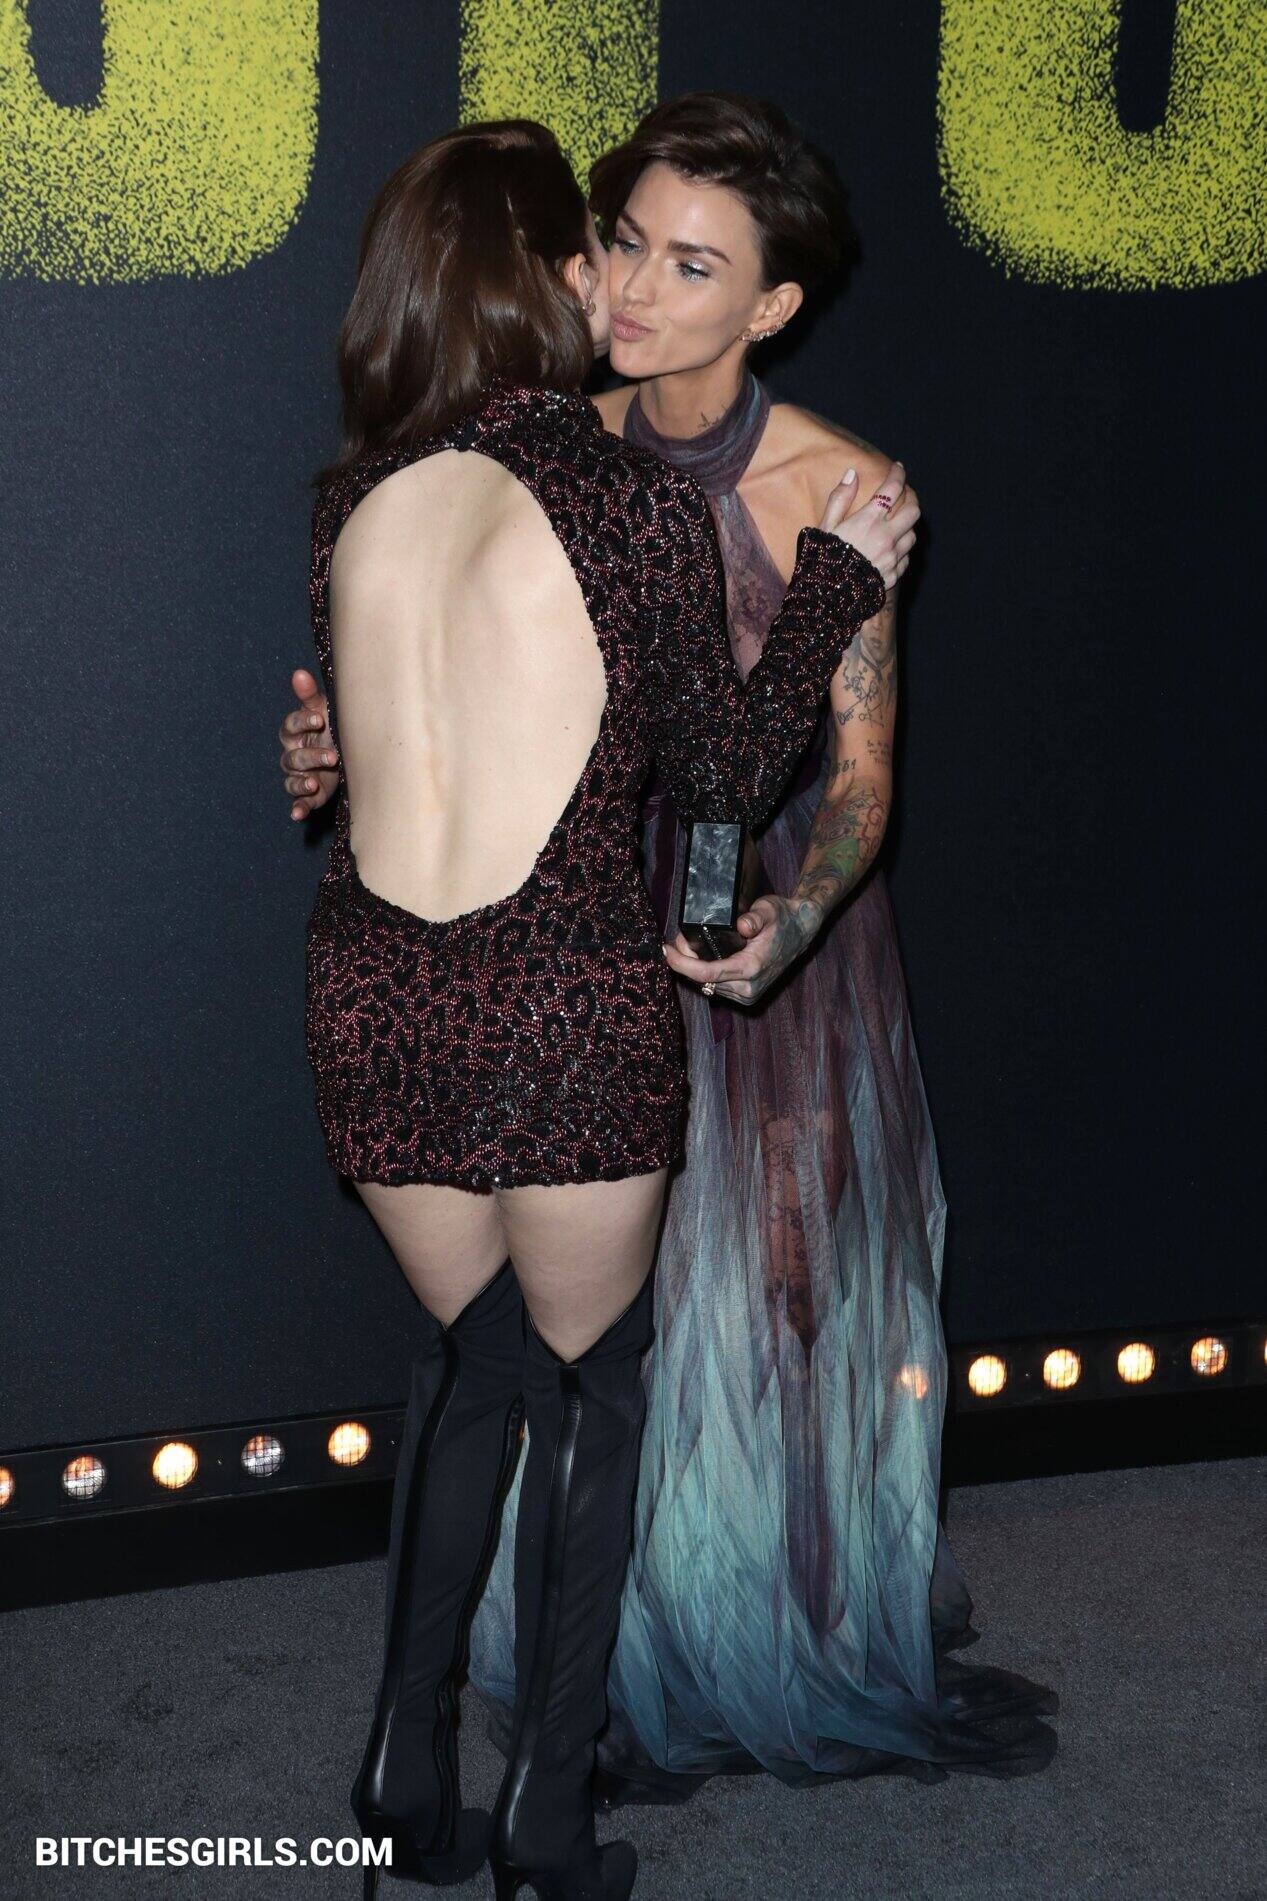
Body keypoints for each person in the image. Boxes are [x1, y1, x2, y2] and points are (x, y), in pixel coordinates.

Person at [301, 116, 908, 1899]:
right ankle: (548, 1822)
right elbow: (721, 774)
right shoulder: (631, 507)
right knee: (592, 1396)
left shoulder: (349, 494)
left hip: (370, 1000)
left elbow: (365, 748)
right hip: (558, 1002)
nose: (618, 280)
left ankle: (401, 1767)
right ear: (549, 274)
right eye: (600, 248)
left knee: (467, 1368)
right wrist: (841, 585)